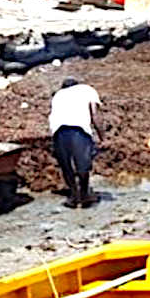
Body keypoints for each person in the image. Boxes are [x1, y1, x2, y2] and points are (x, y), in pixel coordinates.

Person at [49, 77, 102, 208]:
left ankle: (73, 196)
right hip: (79, 130)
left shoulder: (58, 95)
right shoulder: (87, 90)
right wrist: (102, 136)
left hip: (58, 132)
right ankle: (84, 195)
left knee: (66, 165)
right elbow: (94, 115)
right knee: (83, 165)